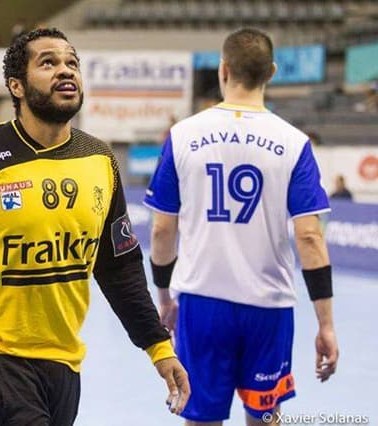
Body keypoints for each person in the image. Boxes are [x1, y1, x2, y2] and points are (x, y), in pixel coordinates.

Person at [0, 27, 190, 426]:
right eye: (48, 62)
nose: (66, 71)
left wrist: (158, 348)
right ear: (17, 86)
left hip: (63, 358)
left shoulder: (99, 160)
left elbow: (118, 267)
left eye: (71, 62)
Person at [145, 28, 338, 425]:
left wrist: (164, 297)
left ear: (223, 70)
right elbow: (309, 237)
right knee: (265, 417)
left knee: (200, 416)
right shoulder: (294, 142)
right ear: (271, 72)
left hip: (202, 302)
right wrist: (326, 325)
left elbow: (163, 231)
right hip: (268, 307)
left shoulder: (182, 135)